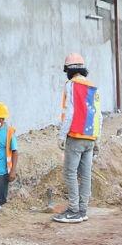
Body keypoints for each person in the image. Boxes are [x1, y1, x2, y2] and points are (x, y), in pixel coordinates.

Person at [53, 53, 102, 224]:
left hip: (75, 135)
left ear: (69, 70)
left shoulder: (71, 85)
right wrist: (97, 139)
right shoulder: (92, 86)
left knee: (70, 173)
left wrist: (61, 135)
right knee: (86, 174)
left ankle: (74, 210)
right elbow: (98, 115)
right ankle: (82, 209)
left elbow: (69, 112)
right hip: (90, 137)